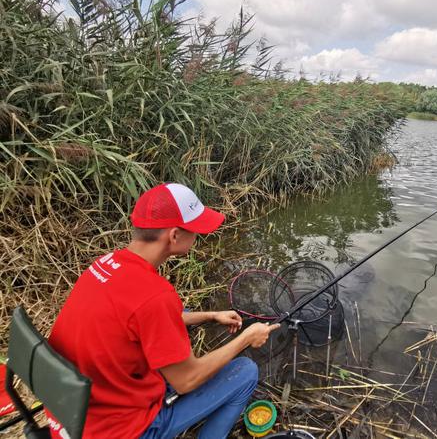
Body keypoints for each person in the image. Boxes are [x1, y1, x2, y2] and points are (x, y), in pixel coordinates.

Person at [47, 183, 280, 439]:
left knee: (184, 319)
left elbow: (140, 319)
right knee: (246, 372)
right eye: (196, 230)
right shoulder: (156, 296)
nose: (199, 236)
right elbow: (187, 380)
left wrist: (210, 315)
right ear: (175, 236)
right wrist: (246, 338)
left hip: (73, 414)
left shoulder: (105, 265)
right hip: (121, 431)